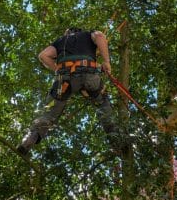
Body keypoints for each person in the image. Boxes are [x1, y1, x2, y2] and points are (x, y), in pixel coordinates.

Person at [17, 28, 122, 156]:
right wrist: (106, 62)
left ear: (67, 33)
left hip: (64, 79)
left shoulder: (61, 41)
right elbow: (100, 36)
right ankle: (117, 140)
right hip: (88, 74)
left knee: (49, 114)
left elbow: (43, 56)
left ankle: (30, 138)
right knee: (102, 103)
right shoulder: (88, 34)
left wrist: (58, 70)